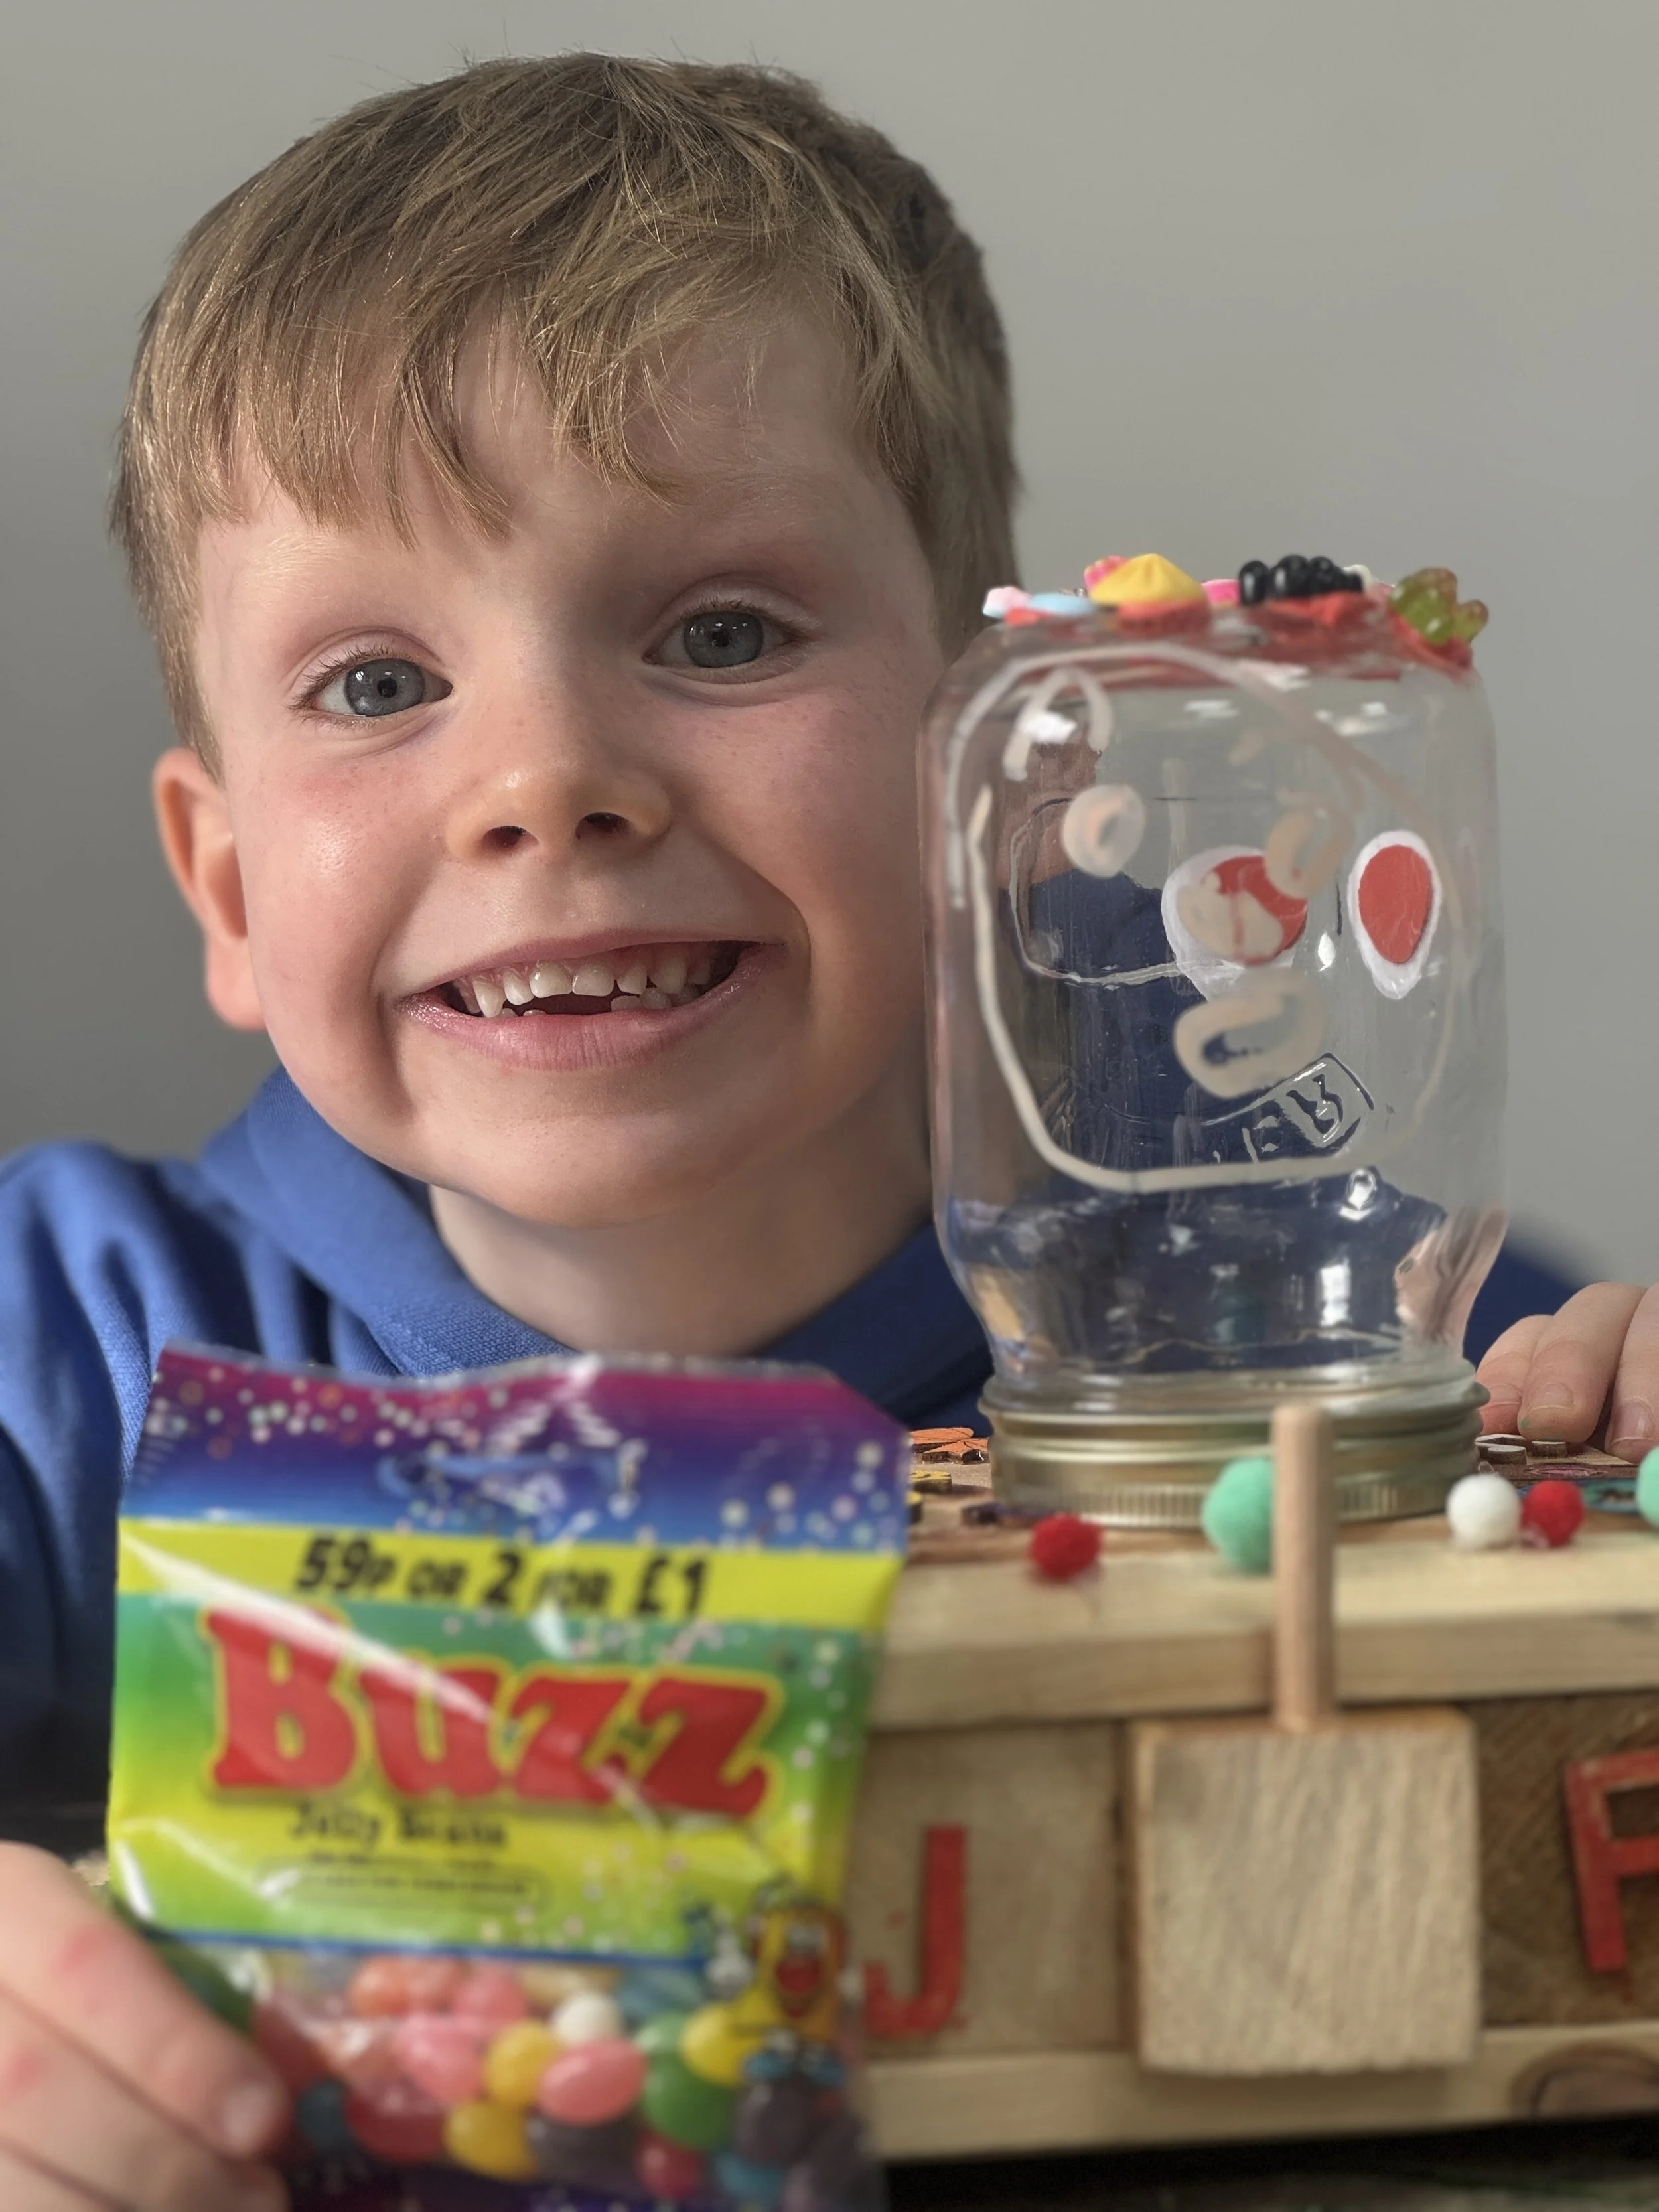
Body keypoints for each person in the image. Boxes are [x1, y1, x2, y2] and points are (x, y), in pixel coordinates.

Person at [0, 54, 1650, 2211]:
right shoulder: (70, 1345)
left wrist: (1617, 1462)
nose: (549, 778)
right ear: (225, 888)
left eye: (719, 632)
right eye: (379, 684)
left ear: (986, 776)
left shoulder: (1323, 1316)